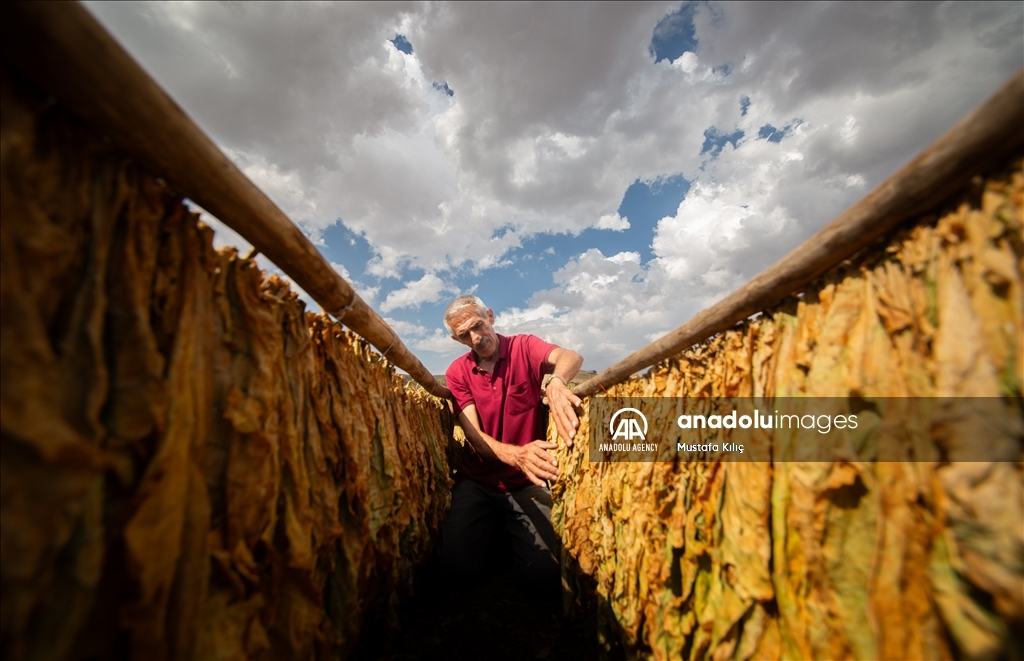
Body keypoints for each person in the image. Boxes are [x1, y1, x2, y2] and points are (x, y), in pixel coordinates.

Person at [437, 295, 583, 599]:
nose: (476, 338)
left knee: (542, 579)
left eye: (478, 326)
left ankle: (507, 536)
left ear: (490, 316)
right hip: (478, 482)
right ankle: (501, 534)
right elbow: (474, 436)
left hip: (526, 482)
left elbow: (570, 356)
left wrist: (556, 383)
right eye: (464, 335)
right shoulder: (457, 372)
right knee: (455, 568)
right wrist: (518, 454)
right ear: (456, 338)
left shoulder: (524, 347)